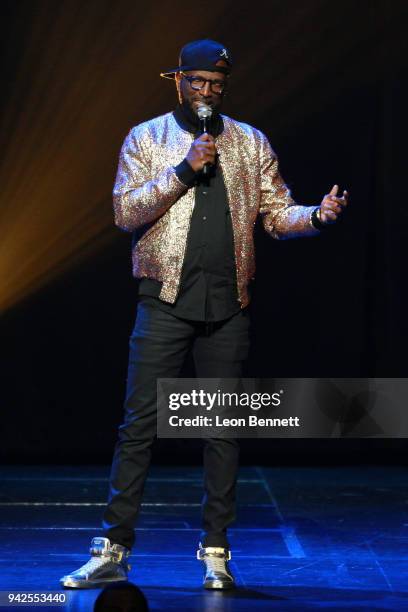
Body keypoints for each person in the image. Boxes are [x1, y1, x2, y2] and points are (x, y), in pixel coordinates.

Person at [60, 39, 348, 591]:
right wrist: (184, 169)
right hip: (165, 300)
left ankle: (216, 552)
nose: (207, 92)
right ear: (178, 81)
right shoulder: (147, 137)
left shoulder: (249, 141)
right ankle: (112, 550)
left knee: (220, 433)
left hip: (227, 305)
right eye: (197, 82)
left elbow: (276, 212)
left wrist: (318, 216)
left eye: (216, 84)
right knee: (138, 426)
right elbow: (126, 212)